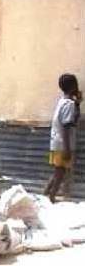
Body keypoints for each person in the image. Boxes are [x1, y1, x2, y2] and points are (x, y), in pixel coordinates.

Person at [44, 73, 81, 203]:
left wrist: (77, 104)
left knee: (58, 172)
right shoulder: (69, 104)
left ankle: (46, 194)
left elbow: (72, 120)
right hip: (63, 144)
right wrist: (66, 148)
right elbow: (66, 126)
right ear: (73, 87)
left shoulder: (63, 101)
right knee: (60, 173)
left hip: (56, 142)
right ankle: (51, 198)